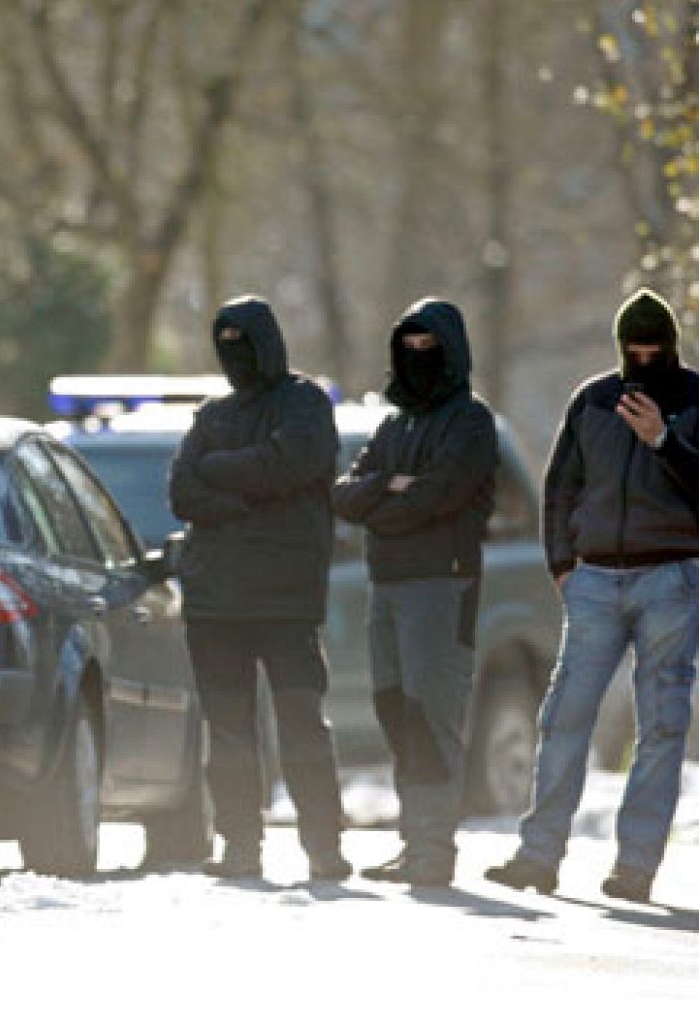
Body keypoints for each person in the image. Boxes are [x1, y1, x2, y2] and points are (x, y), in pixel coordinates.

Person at [487, 287, 699, 904]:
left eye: (653, 350)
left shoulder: (693, 398)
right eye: (633, 351)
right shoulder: (592, 400)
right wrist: (562, 565)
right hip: (595, 583)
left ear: (670, 346)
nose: (643, 359)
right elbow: (559, 487)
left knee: (661, 725)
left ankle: (635, 866)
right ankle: (538, 855)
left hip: (673, 581)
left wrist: (664, 440)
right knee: (563, 718)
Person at [169, 295, 351, 882]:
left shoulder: (304, 403)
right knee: (228, 734)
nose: (234, 353)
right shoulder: (212, 413)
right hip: (215, 603)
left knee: (302, 725)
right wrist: (252, 496)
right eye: (223, 341)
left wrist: (220, 473)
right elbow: (181, 492)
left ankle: (324, 848)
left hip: (286, 600)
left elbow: (291, 463)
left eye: (242, 340)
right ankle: (239, 845)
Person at [334, 298, 497, 887]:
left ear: (451, 350)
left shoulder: (472, 423)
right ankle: (412, 843)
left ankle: (433, 850)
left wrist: (386, 506)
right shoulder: (392, 425)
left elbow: (437, 498)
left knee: (433, 720)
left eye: (430, 346)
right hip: (388, 588)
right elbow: (344, 496)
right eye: (409, 345)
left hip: (442, 586)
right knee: (397, 715)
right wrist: (387, 488)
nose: (418, 356)